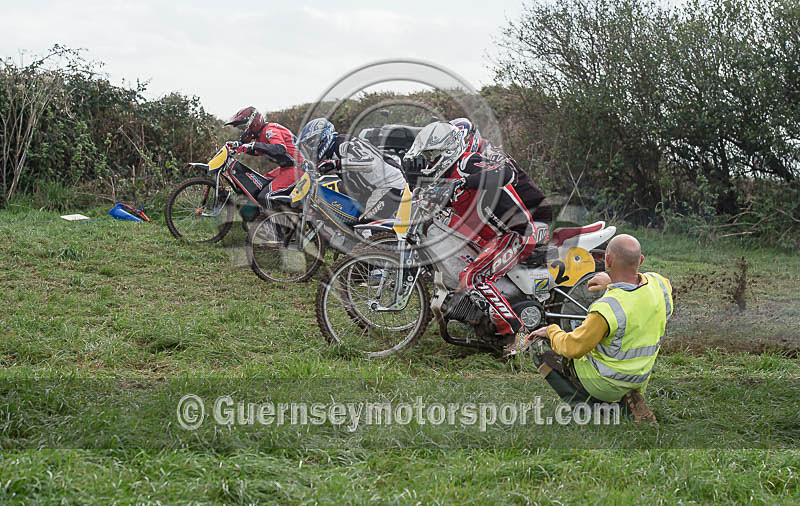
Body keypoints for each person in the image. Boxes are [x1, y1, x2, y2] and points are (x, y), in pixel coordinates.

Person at [405, 121, 550, 350]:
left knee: (474, 277)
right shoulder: (448, 176)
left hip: (517, 234)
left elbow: (505, 172)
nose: (430, 162)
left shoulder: (467, 163)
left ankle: (517, 333)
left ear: (447, 150)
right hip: (495, 237)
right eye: (427, 157)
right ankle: (481, 318)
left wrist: (463, 183)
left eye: (433, 156)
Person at [522, 234, 673, 423]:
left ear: (607, 260)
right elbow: (640, 290)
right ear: (640, 260)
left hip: (606, 383)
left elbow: (572, 348)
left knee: (539, 346)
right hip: (640, 378)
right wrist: (612, 282)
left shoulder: (607, 308)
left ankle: (591, 409)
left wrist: (551, 331)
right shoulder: (660, 286)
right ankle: (628, 399)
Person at [296, 118, 407, 221]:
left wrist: (336, 164)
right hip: (375, 191)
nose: (311, 148)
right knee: (350, 221)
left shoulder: (344, 143)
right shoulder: (333, 152)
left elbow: (369, 163)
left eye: (312, 143)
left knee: (364, 227)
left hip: (390, 184)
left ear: (323, 137)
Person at [449, 118, 552, 225]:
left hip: (534, 210)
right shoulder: (468, 161)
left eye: (462, 141)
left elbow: (508, 173)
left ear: (471, 136)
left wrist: (466, 182)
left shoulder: (489, 151)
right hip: (511, 212)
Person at [225, 106, 305, 192]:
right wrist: (238, 146)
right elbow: (257, 151)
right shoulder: (259, 136)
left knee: (265, 195)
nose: (242, 131)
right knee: (257, 187)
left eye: (243, 128)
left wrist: (254, 145)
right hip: (286, 168)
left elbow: (280, 148)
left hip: (298, 167)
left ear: (254, 122)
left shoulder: (269, 130)